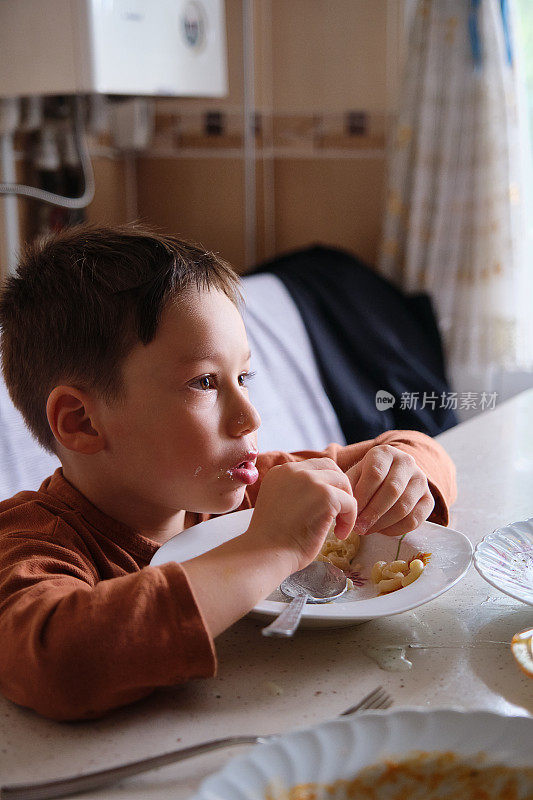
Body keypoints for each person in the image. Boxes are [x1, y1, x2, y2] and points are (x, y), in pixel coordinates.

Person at [0, 225, 456, 721]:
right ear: (82, 422)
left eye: (244, 377)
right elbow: (58, 663)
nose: (251, 417)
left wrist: (403, 477)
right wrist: (268, 547)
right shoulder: (31, 542)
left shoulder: (251, 487)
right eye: (204, 382)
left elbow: (410, 449)